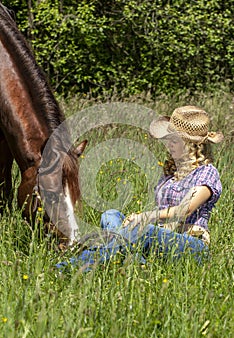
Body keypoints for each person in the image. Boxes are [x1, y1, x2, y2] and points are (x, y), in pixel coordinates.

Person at [56, 105, 223, 271]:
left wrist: (145, 217)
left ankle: (71, 267)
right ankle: (136, 260)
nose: (168, 145)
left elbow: (184, 210)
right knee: (111, 215)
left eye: (174, 140)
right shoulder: (171, 173)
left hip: (190, 243)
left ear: (192, 145)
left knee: (142, 229)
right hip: (161, 238)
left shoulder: (207, 173)